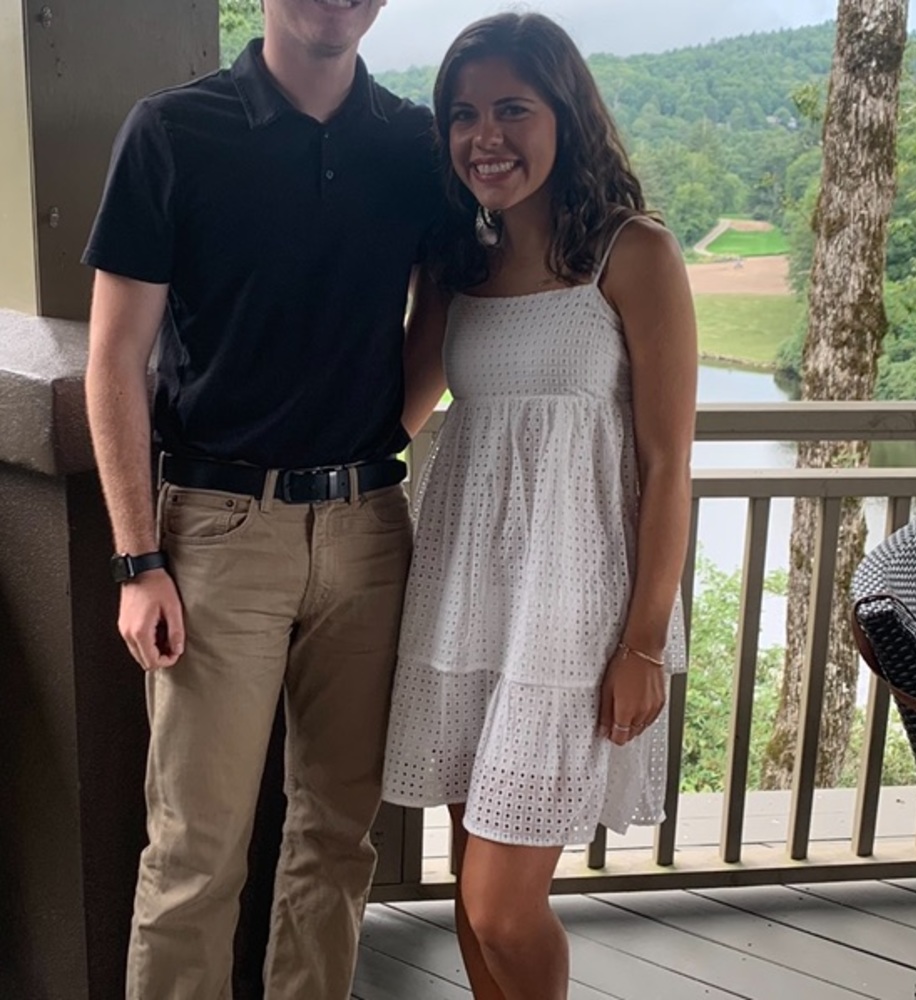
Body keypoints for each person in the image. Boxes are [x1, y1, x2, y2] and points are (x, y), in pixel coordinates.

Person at [82, 2, 442, 997]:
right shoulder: (172, 131)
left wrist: (375, 441)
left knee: (336, 843)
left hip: (370, 530)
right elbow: (113, 360)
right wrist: (137, 557)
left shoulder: (412, 142)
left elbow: (441, 314)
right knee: (196, 852)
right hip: (214, 531)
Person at [382, 12, 697, 1000]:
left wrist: (642, 642)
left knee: (500, 906)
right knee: (471, 897)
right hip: (467, 598)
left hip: (571, 616)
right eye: (463, 114)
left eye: (513, 108)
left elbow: (666, 461)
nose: (487, 135)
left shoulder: (630, 252)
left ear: (565, 112)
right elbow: (399, 408)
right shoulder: (456, 267)